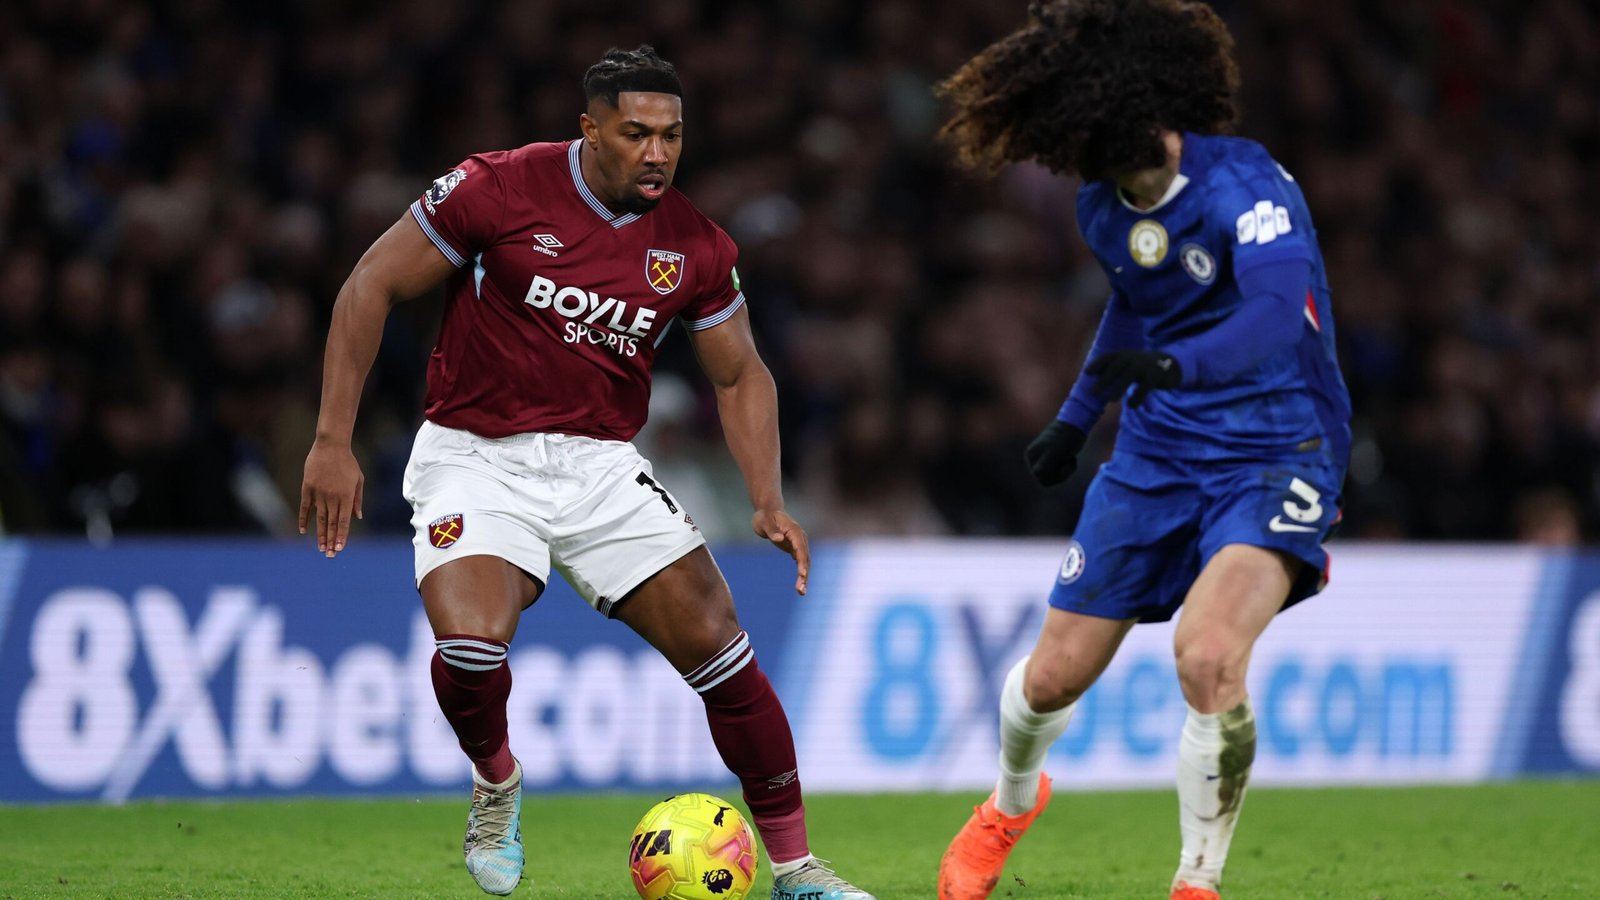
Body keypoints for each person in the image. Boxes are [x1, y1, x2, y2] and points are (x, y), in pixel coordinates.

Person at [298, 45, 874, 900]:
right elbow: (369, 285)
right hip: (474, 453)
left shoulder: (695, 246)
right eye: (636, 133)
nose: (657, 153)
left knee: (726, 657)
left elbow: (741, 372)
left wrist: (767, 498)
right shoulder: (497, 187)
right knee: (470, 644)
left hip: (600, 466)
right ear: (590, 129)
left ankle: (795, 868)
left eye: (671, 136)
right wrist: (332, 441)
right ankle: (496, 781)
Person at [932, 3, 1352, 899]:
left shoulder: (1248, 186)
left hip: (1279, 445)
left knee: (1207, 658)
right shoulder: (1101, 206)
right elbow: (1135, 303)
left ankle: (1197, 880)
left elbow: (1277, 317)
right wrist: (1076, 419)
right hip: (1160, 453)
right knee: (1049, 679)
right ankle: (1009, 803)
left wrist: (1172, 364)